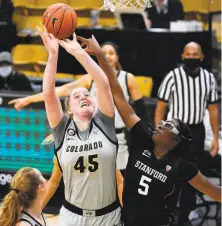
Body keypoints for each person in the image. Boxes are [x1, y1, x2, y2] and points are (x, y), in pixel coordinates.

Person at [75, 35, 222, 226]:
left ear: (176, 140)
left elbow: (214, 191)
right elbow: (119, 96)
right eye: (162, 123)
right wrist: (101, 56)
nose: (160, 124)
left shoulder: (182, 166)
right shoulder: (142, 139)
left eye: (168, 126)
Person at [8, 41, 147, 177]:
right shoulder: (90, 79)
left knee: (120, 181)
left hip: (119, 138)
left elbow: (142, 111)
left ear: (117, 57)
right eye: (103, 53)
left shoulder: (128, 78)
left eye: (111, 53)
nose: (107, 56)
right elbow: (61, 90)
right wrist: (28, 99)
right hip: (94, 138)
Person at [39, 27, 122, 226]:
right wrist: (53, 55)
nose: (83, 96)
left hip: (108, 217)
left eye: (86, 94)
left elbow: (102, 83)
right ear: (69, 110)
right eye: (77, 96)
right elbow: (49, 94)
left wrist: (78, 52)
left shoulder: (104, 123)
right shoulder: (62, 130)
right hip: (72, 217)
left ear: (94, 103)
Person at [155, 41, 219, 225]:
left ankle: (185, 217)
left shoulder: (208, 78)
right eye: (188, 54)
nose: (191, 57)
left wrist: (215, 137)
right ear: (183, 56)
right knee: (171, 172)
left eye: (195, 54)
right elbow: (161, 106)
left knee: (193, 173)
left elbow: (213, 109)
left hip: (197, 131)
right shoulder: (172, 76)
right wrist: (159, 135)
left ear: (202, 57)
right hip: (174, 132)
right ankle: (168, 213)